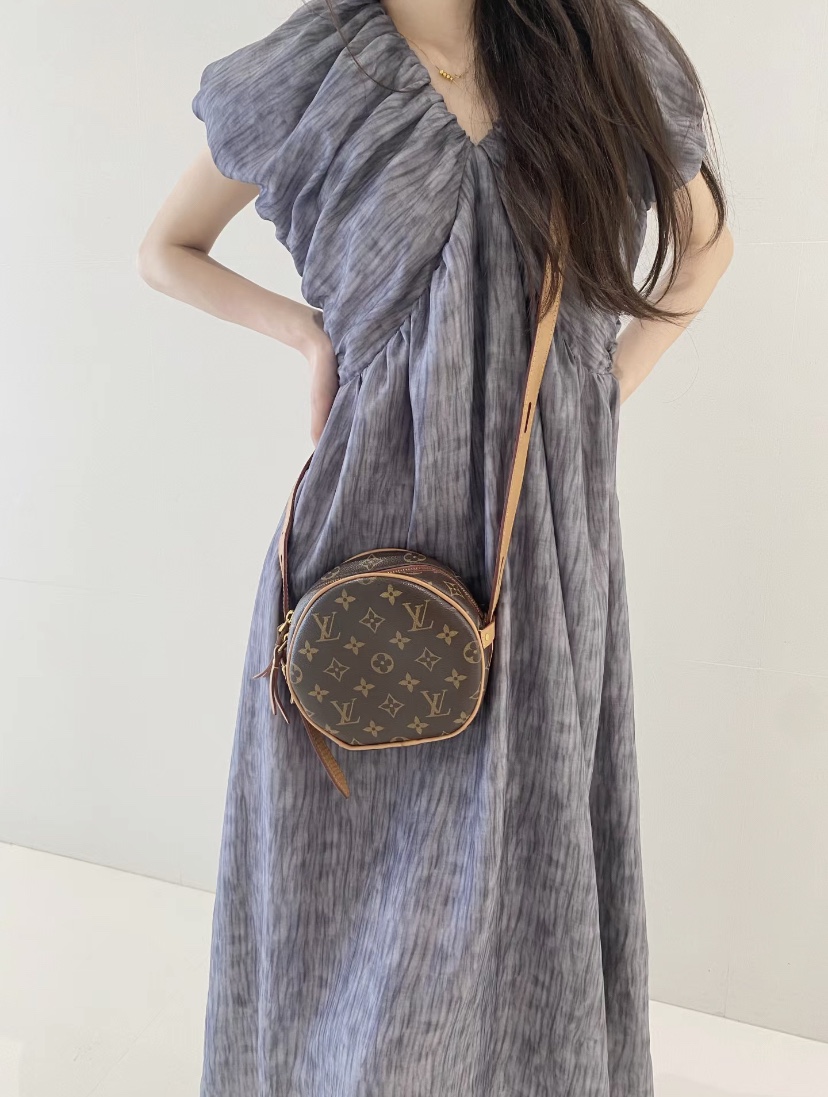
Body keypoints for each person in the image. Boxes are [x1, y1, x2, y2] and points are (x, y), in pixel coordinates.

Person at [137, 0, 733, 1093]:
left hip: (541, 537)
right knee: (348, 859)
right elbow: (165, 250)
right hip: (365, 524)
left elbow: (707, 248)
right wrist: (306, 332)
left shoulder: (597, 46)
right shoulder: (307, 71)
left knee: (525, 844)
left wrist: (594, 397)